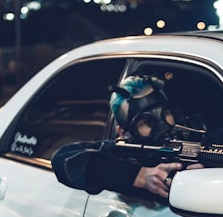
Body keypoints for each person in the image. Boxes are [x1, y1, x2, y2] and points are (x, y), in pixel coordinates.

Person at [51, 74, 192, 199]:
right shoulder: (124, 153)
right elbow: (62, 159)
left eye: (165, 113)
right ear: (123, 133)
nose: (163, 124)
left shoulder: (192, 137)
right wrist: (140, 176)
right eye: (145, 122)